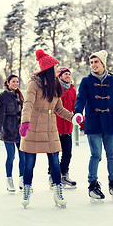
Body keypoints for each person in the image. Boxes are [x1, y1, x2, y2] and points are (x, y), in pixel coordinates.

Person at [19, 49, 73, 208]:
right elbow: (27, 104)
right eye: (56, 66)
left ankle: (58, 192)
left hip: (50, 127)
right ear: (49, 68)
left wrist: (73, 117)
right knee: (29, 163)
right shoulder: (34, 83)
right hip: (33, 126)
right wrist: (25, 122)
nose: (58, 69)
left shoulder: (56, 85)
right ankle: (27, 191)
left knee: (55, 162)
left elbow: (59, 109)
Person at [73, 50, 113, 200]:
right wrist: (78, 112)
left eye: (96, 62)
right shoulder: (86, 81)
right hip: (93, 123)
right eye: (91, 62)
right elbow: (81, 99)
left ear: (103, 63)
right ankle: (93, 185)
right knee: (96, 155)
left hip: (109, 123)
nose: (93, 65)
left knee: (112, 155)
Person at [0, 74, 25, 192]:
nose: (16, 84)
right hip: (8, 130)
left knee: (23, 156)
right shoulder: (2, 96)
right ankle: (9, 180)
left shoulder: (20, 96)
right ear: (7, 83)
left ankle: (22, 179)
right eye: (13, 82)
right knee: (11, 156)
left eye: (17, 82)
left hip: (20, 131)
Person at [48, 67, 77, 188]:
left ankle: (64, 175)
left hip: (68, 127)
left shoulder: (72, 90)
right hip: (55, 126)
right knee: (54, 153)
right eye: (65, 74)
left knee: (67, 153)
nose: (68, 76)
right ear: (59, 76)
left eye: (69, 74)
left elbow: (75, 107)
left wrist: (79, 121)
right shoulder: (54, 88)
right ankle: (53, 176)